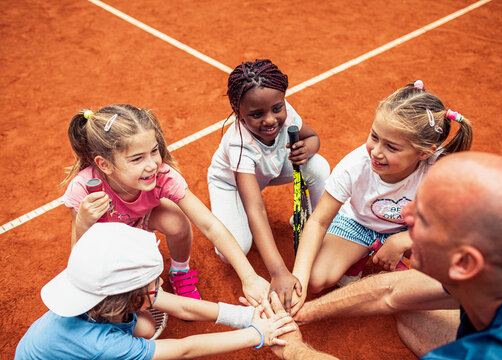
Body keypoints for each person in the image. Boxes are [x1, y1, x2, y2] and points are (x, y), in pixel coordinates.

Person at [281, 152, 502, 359]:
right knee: (409, 305)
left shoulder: (498, 354)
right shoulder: (499, 272)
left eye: (425, 218)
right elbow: (389, 292)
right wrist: (303, 312)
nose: (404, 216)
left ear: (464, 263)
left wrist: (295, 350)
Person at [290, 80, 473, 313]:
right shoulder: (354, 166)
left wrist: (405, 239)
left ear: (424, 153)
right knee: (316, 280)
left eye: (392, 147)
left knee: (449, 269)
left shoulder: (441, 169)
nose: (376, 152)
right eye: (374, 136)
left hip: (408, 227)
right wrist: (299, 282)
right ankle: (361, 255)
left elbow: (454, 220)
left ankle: (380, 250)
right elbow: (318, 221)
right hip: (356, 223)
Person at [62, 104, 269, 304]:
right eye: (137, 159)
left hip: (141, 221)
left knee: (176, 221)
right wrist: (83, 221)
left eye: (154, 151)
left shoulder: (162, 175)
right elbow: (79, 252)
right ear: (104, 164)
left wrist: (249, 277)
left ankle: (180, 270)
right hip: (110, 243)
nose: (152, 165)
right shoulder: (83, 189)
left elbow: (210, 225)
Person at [15, 223, 296, 360]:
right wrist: (259, 334)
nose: (160, 284)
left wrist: (246, 316)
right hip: (87, 349)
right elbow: (185, 350)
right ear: (131, 297)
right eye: (155, 283)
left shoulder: (104, 295)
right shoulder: (104, 345)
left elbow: (184, 307)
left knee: (147, 327)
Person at [207, 59, 330, 311]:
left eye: (277, 108)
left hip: (270, 169)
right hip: (231, 183)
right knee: (234, 249)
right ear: (237, 110)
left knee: (318, 166)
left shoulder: (284, 110)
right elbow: (256, 209)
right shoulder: (238, 144)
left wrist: (308, 148)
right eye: (256, 114)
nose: (271, 120)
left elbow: (313, 137)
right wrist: (279, 272)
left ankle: (316, 226)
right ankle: (225, 210)